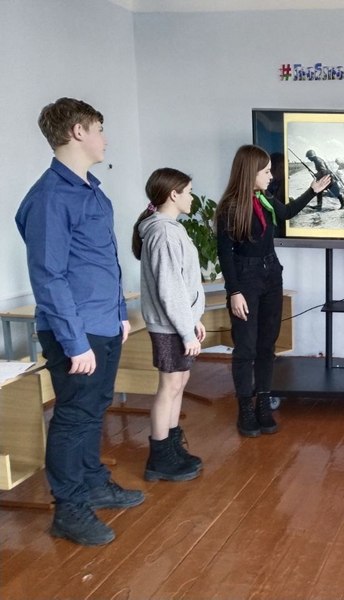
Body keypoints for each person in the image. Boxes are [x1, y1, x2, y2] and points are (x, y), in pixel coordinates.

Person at [15, 97, 144, 546]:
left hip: (102, 322)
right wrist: (74, 342)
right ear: (77, 132)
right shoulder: (51, 196)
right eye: (99, 128)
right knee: (73, 416)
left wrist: (119, 314)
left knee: (94, 408)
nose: (105, 138)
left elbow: (102, 261)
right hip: (76, 330)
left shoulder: (91, 189)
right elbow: (48, 275)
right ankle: (68, 510)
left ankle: (92, 483)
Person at [216, 145, 331, 437]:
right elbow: (225, 254)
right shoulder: (230, 207)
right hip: (245, 279)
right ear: (250, 173)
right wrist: (234, 291)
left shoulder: (265, 198)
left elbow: (287, 212)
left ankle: (263, 404)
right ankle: (245, 407)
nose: (271, 176)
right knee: (246, 347)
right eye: (266, 172)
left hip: (271, 275)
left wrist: (313, 191)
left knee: (267, 345)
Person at [132, 168, 206, 482]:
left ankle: (173, 447)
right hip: (169, 326)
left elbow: (183, 283)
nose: (192, 198)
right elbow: (170, 288)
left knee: (179, 382)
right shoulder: (162, 232)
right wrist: (186, 331)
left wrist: (194, 320)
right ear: (173, 194)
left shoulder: (171, 228)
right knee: (169, 386)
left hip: (178, 323)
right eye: (188, 192)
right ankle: (159, 457)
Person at [266, 152, 287, 237]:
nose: (284, 171)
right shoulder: (267, 186)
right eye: (281, 168)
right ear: (272, 169)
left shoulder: (282, 183)